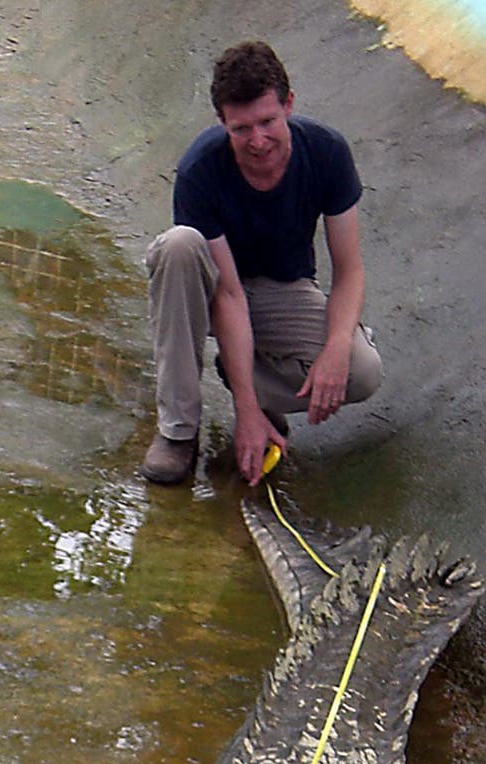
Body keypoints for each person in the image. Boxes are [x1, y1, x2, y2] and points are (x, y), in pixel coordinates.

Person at [141, 40, 382, 486]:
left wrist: (335, 347)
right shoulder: (200, 170)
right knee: (178, 245)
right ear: (222, 122)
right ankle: (178, 429)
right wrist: (246, 416)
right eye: (241, 128)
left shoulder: (327, 152)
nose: (257, 141)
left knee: (362, 372)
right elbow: (229, 295)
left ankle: (241, 378)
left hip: (279, 288)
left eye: (268, 122)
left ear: (288, 105)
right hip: (210, 288)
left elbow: (350, 271)